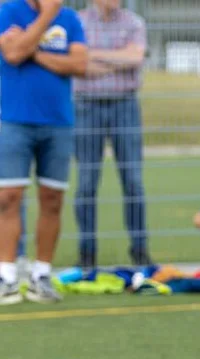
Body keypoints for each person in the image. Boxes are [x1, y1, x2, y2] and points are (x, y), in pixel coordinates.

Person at [0, 0, 88, 304]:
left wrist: (32, 51)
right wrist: (47, 15)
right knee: (8, 198)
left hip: (58, 123)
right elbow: (11, 54)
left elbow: (79, 64)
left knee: (52, 200)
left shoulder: (71, 19)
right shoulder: (8, 11)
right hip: (14, 121)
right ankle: (7, 275)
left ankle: (41, 274)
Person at [73, 0, 148, 269]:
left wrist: (96, 56)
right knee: (86, 183)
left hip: (125, 104)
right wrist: (117, 58)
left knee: (133, 182)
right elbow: (77, 61)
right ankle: (87, 252)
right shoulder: (78, 22)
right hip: (86, 106)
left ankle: (140, 250)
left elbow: (135, 58)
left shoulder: (134, 22)